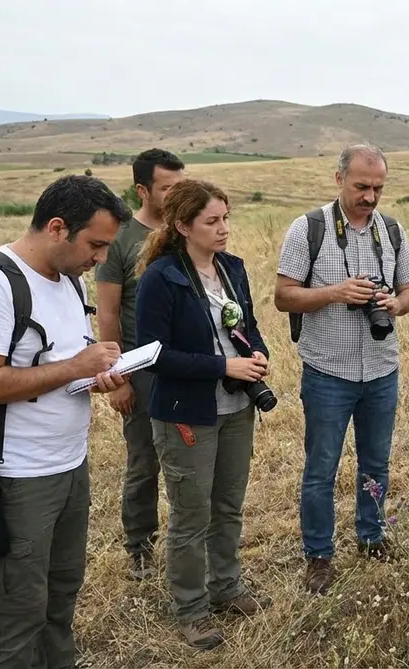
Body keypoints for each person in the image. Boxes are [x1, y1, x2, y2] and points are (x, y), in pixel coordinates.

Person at [0, 175, 129, 668]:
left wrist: (96, 377)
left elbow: (60, 366)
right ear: (55, 228)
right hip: (15, 477)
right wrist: (76, 368)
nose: (100, 258)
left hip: (69, 466)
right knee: (18, 610)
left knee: (61, 593)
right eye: (95, 244)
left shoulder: (70, 279)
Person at [274, 144, 409, 596]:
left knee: (376, 463)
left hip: (380, 370)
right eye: (361, 186)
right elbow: (283, 296)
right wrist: (337, 294)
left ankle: (371, 538)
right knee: (321, 468)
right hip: (327, 371)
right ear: (339, 179)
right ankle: (318, 556)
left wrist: (395, 304)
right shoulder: (309, 229)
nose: (370, 197)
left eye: (378, 188)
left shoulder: (392, 231)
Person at [135, 178, 272, 649]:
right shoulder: (162, 278)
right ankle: (190, 609)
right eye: (212, 221)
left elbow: (248, 325)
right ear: (181, 225)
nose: (223, 229)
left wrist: (257, 356)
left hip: (236, 405)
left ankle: (227, 587)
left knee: (228, 505)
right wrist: (222, 365)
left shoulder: (231, 269)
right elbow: (153, 354)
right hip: (186, 413)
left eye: (226, 218)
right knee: (191, 516)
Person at [95, 147, 185, 580]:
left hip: (184, 367)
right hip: (141, 372)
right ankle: (140, 548)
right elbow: (109, 314)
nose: (176, 194)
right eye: (168, 188)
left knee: (191, 460)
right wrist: (118, 380)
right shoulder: (121, 239)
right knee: (144, 462)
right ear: (142, 189)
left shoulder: (185, 230)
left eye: (180, 185)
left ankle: (189, 542)